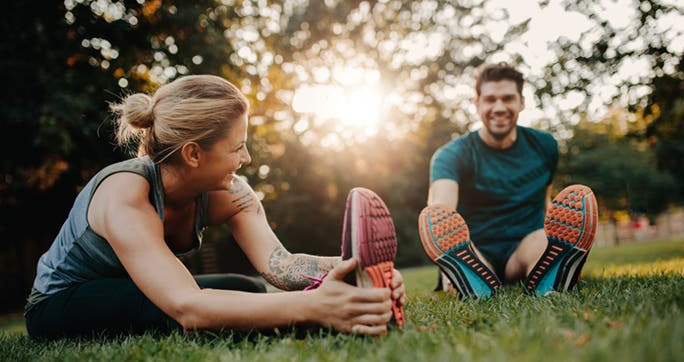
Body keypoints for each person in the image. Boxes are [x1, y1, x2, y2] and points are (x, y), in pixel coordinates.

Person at [25, 75, 405, 339]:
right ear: (193, 153)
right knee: (178, 313)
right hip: (63, 301)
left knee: (248, 290)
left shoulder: (231, 193)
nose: (248, 157)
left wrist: (357, 272)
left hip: (134, 289)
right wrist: (315, 308)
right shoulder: (126, 193)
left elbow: (282, 266)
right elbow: (188, 306)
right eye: (236, 147)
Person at [418, 62, 598, 298]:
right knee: (466, 253)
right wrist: (443, 258)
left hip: (524, 247)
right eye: (490, 99)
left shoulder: (544, 146)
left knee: (543, 241)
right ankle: (463, 274)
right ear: (477, 104)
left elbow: (544, 199)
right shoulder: (452, 155)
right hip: (476, 249)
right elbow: (441, 212)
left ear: (521, 102)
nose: (499, 107)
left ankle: (552, 273)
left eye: (508, 98)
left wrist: (551, 236)